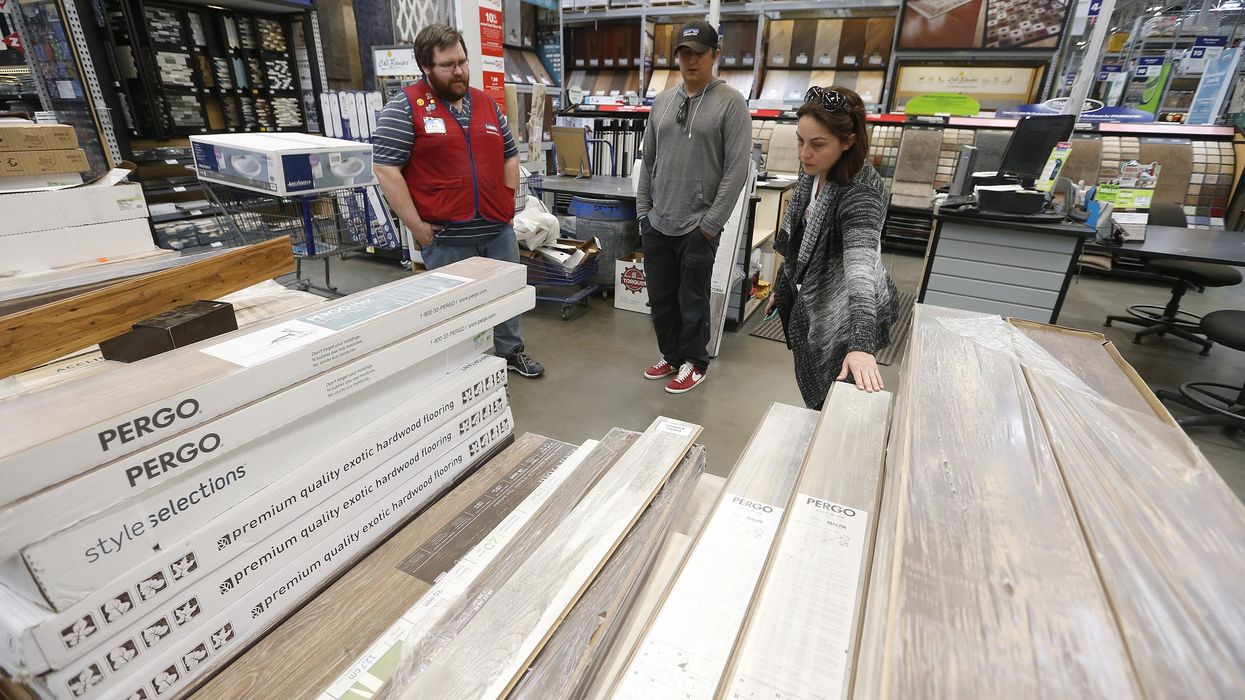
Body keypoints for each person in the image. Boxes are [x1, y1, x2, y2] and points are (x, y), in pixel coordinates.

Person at [372, 23, 544, 378]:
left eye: (463, 62)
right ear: (426, 67)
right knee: (457, 312)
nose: (460, 71)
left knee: (506, 297)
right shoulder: (405, 107)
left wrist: (508, 206)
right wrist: (418, 228)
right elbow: (386, 169)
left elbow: (510, 155)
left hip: (497, 231)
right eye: (448, 65)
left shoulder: (485, 104)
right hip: (447, 237)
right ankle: (468, 367)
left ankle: (511, 351)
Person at [636, 19, 752, 394]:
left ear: (715, 56)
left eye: (698, 53)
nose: (690, 61)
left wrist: (711, 224)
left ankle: (694, 362)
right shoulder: (663, 103)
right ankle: (671, 356)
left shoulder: (731, 104)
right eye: (684, 53)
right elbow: (648, 161)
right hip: (658, 222)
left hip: (697, 226)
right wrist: (643, 214)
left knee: (693, 300)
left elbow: (737, 170)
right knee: (661, 299)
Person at [765, 86, 898, 408]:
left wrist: (861, 344)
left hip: (849, 309)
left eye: (817, 144)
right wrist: (783, 285)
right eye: (800, 140)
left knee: (836, 392)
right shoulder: (814, 168)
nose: (804, 153)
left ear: (848, 142)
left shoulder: (861, 192)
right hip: (814, 295)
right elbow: (801, 237)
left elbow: (861, 268)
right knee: (812, 372)